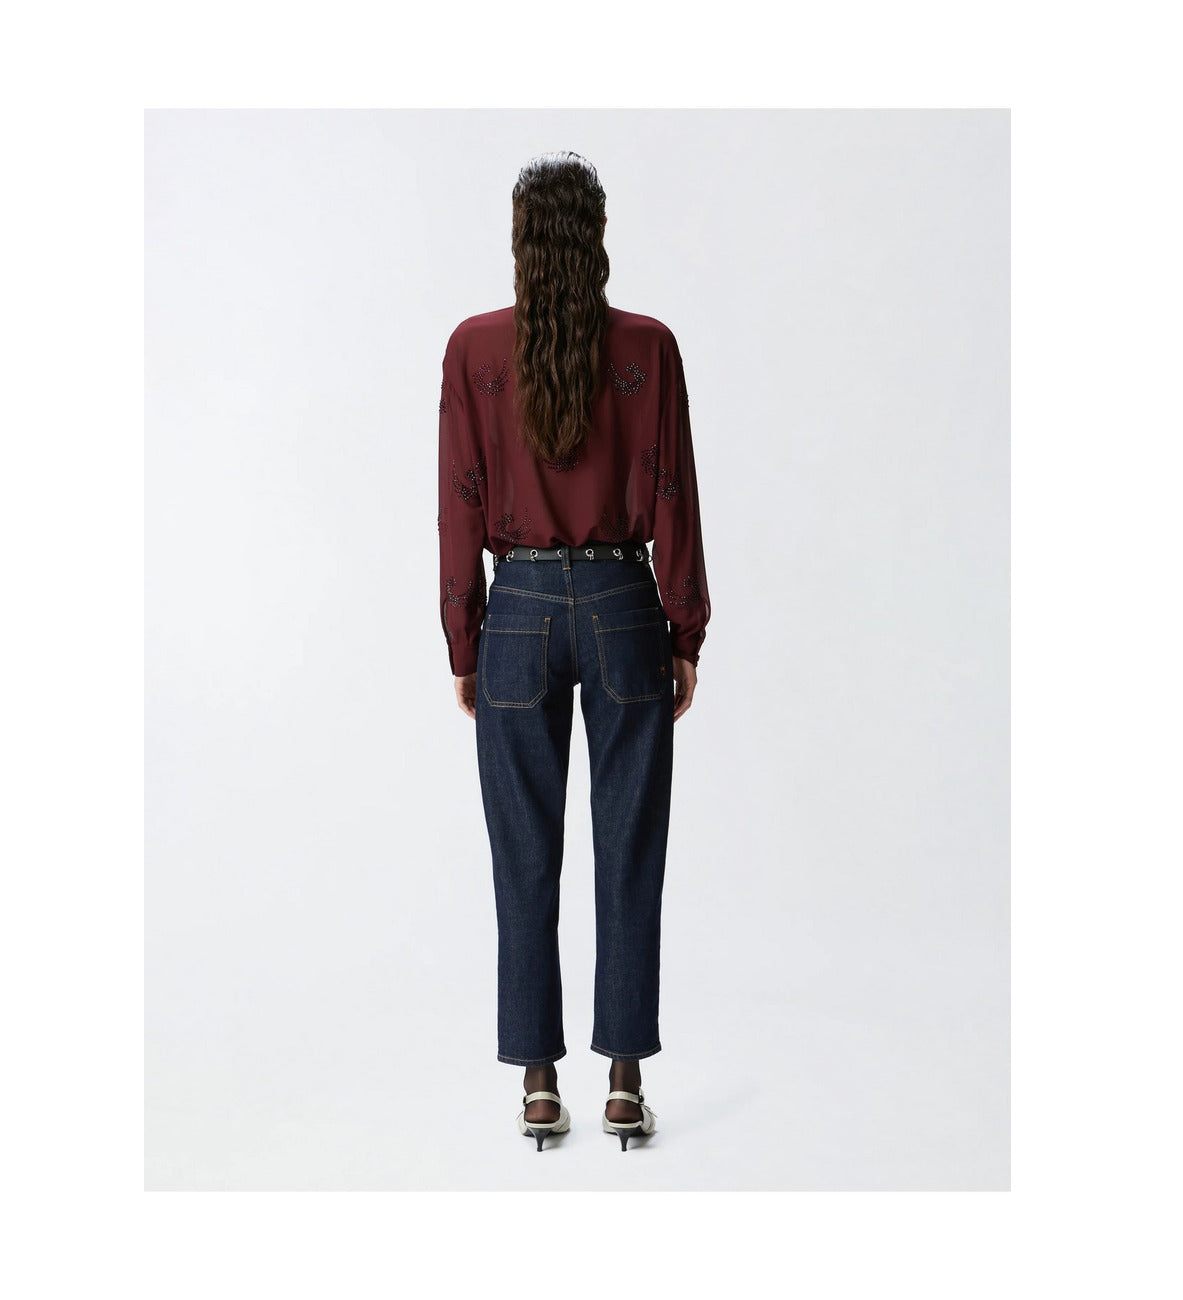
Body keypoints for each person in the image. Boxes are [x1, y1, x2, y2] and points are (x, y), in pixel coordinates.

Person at [436, 151, 711, 1151]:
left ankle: (540, 1083)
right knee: (629, 844)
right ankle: (625, 1081)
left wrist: (465, 637)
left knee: (524, 852)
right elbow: (673, 493)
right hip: (622, 603)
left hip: (516, 611)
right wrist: (683, 624)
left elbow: (458, 503)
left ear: (521, 241)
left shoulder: (475, 349)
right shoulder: (648, 347)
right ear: (595, 239)